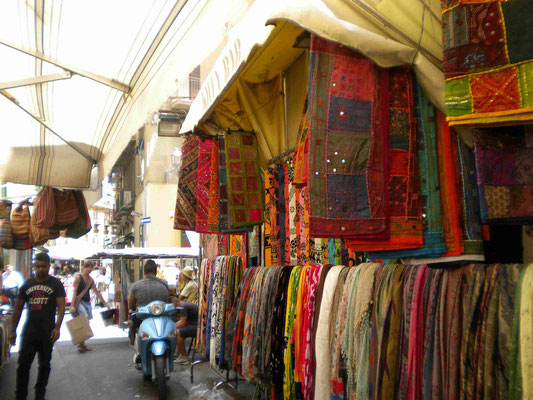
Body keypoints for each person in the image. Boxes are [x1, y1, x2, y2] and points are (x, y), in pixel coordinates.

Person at [9, 252, 66, 400]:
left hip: (47, 333)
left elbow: (61, 307)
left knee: (44, 365)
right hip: (29, 333)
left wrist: (57, 327)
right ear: (34, 266)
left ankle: (39, 395)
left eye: (44, 266)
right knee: (23, 366)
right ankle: (20, 396)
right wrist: (12, 331)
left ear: (48, 266)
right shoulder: (27, 284)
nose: (41, 269)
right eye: (38, 266)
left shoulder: (55, 284)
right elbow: (18, 309)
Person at [70, 261, 109, 352]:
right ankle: (81, 345)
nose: (90, 269)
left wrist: (104, 303)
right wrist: (72, 305)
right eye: (88, 267)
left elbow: (96, 292)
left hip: (87, 302)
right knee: (85, 320)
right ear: (84, 267)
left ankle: (82, 344)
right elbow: (74, 292)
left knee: (86, 323)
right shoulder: (78, 278)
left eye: (91, 267)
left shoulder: (91, 280)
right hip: (79, 302)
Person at [128, 260, 169, 345]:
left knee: (132, 320)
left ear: (144, 272)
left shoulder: (136, 286)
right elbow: (167, 300)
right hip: (161, 316)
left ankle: (133, 342)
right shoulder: (164, 284)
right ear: (156, 271)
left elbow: (131, 305)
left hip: (142, 317)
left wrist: (132, 308)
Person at [170, 296, 198, 365]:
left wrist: (171, 327)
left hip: (196, 328)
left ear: (174, 304)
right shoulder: (185, 304)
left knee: (177, 333)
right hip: (194, 326)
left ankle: (184, 357)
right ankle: (178, 353)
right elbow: (182, 322)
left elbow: (182, 323)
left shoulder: (183, 307)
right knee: (175, 330)